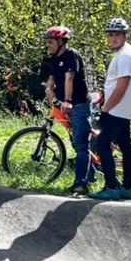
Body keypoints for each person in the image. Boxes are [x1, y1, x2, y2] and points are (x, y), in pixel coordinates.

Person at [89, 18, 131, 201]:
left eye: (117, 35)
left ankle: (111, 186)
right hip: (122, 110)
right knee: (126, 147)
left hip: (116, 110)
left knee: (102, 145)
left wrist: (106, 109)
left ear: (126, 35)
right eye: (110, 35)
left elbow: (121, 86)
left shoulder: (125, 56)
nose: (113, 39)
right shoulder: (125, 53)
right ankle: (127, 188)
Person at [42, 25, 95, 195]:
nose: (47, 45)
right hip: (69, 106)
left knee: (81, 145)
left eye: (50, 42)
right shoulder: (55, 58)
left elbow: (69, 78)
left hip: (78, 104)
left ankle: (81, 184)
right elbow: (52, 77)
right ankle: (90, 176)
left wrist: (66, 100)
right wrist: (49, 89)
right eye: (46, 42)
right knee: (76, 141)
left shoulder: (71, 55)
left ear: (61, 42)